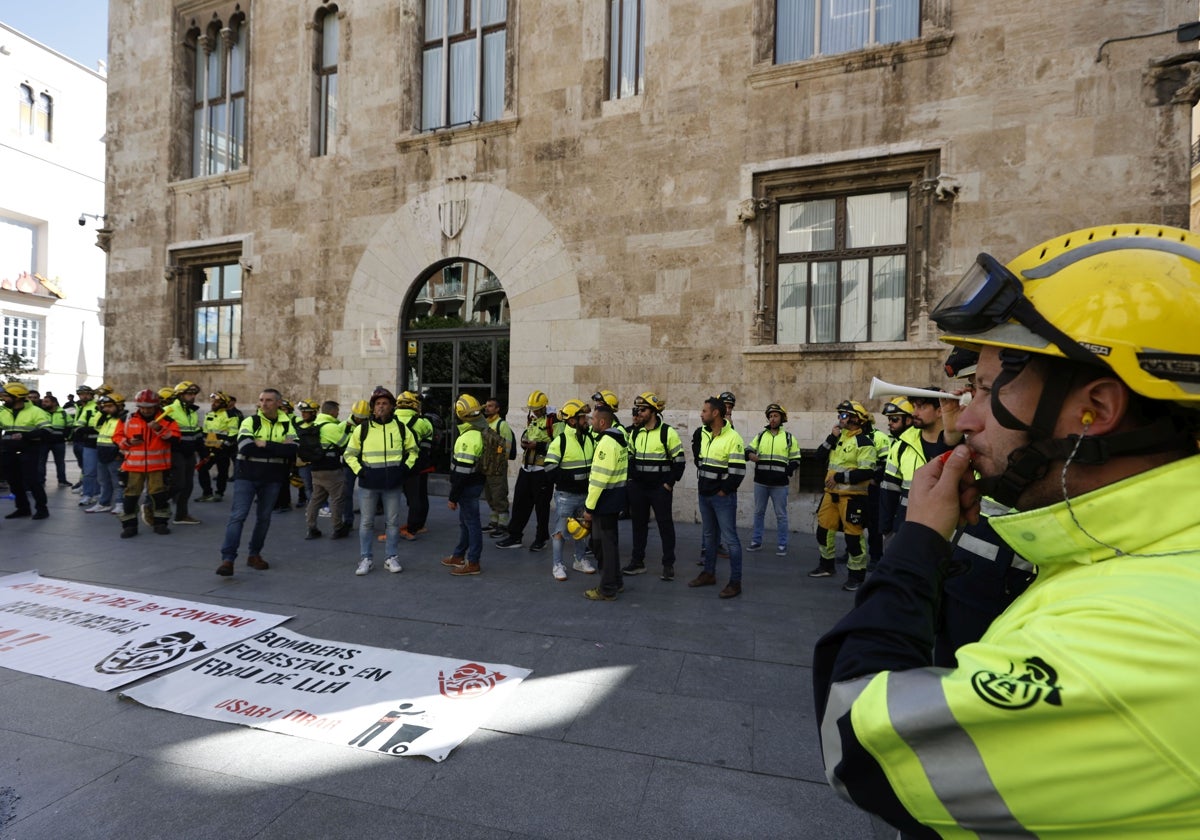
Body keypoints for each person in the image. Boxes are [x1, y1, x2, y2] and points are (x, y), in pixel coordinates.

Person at [814, 223, 1200, 837]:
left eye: (988, 390)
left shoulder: (1141, 638)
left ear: (1094, 409)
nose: (964, 418)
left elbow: (860, 740)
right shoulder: (1125, 558)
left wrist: (918, 545)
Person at [216, 389, 298, 576]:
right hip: (247, 475)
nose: (264, 404)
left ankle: (254, 555)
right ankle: (228, 559)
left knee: (264, 518)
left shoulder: (288, 424)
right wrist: (277, 447)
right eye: (261, 400)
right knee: (238, 516)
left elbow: (293, 450)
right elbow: (246, 446)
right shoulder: (250, 421)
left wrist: (264, 444)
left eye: (269, 400)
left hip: (273, 478)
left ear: (278, 403)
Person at [344, 388, 417, 576]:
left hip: (392, 484)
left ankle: (391, 557)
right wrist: (360, 471)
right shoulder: (363, 429)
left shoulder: (401, 428)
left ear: (392, 406)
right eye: (378, 404)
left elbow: (414, 450)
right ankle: (365, 558)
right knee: (366, 523)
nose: (381, 406)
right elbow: (349, 454)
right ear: (373, 408)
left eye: (385, 403)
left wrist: (405, 468)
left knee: (392, 523)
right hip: (368, 485)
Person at [807, 400, 876, 591]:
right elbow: (819, 457)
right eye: (840, 415)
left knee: (853, 539)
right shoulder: (839, 437)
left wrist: (839, 477)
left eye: (844, 415)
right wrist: (831, 437)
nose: (840, 419)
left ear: (856, 419)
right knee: (823, 532)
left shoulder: (864, 442)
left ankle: (857, 575)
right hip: (831, 495)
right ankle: (826, 565)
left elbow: (866, 472)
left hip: (853, 498)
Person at [689, 396, 746, 598]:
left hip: (722, 498)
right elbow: (700, 459)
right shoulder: (704, 434)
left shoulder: (733, 438)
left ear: (715, 413)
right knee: (709, 537)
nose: (701, 414)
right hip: (705, 495)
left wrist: (723, 490)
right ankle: (708, 573)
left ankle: (735, 582)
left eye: (704, 411)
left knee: (731, 540)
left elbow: (738, 471)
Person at [624, 391, 685, 580]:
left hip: (660, 489)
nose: (638, 413)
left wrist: (668, 484)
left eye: (642, 410)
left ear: (653, 411)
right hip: (639, 489)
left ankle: (668, 565)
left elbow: (679, 461)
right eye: (638, 409)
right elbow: (630, 458)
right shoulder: (635, 432)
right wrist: (633, 481)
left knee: (665, 526)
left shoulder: (668, 433)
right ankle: (637, 562)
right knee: (638, 525)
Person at [878, 389, 950, 544]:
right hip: (904, 531)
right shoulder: (900, 447)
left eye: (921, 407)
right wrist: (887, 531)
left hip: (943, 534)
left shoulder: (959, 447)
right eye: (914, 407)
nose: (915, 413)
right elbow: (888, 491)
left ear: (939, 411)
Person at [113, 389, 179, 537]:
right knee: (130, 497)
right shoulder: (127, 419)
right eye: (142, 407)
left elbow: (175, 439)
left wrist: (159, 429)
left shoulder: (167, 420)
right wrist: (129, 442)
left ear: (156, 406)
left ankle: (160, 523)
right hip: (133, 466)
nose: (146, 410)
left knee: (159, 496)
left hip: (158, 466)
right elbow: (117, 437)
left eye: (149, 407)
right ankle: (129, 526)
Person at [495, 390, 554, 551]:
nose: (534, 411)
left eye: (536, 409)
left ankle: (541, 539)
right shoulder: (532, 420)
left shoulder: (554, 422)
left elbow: (558, 446)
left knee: (542, 508)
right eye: (532, 409)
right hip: (526, 469)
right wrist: (524, 443)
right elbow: (526, 436)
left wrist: (539, 446)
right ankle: (515, 536)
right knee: (520, 504)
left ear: (543, 407)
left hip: (542, 471)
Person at [543, 398, 595, 581]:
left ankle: (579, 560)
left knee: (582, 529)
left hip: (585, 495)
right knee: (560, 532)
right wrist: (571, 479)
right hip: (566, 495)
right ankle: (557, 564)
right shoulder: (560, 441)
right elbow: (549, 469)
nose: (586, 421)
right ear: (572, 421)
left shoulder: (589, 438)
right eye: (583, 418)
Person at [582, 401, 628, 601]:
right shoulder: (619, 439)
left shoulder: (606, 444)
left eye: (592, 419)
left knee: (604, 546)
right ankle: (616, 582)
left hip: (604, 502)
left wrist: (589, 507)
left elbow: (599, 479)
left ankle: (607, 588)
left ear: (602, 422)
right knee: (610, 543)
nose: (590, 422)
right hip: (614, 499)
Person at [746, 403, 801, 556]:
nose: (772, 419)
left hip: (780, 485)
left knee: (781, 516)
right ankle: (756, 542)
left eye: (775, 416)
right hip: (761, 483)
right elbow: (748, 449)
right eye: (770, 416)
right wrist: (750, 455)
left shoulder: (789, 438)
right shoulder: (761, 435)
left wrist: (785, 472)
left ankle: (782, 544)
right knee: (758, 513)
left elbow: (796, 459)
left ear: (782, 418)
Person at [444, 393, 487, 576]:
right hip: (475, 483)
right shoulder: (480, 430)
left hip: (467, 487)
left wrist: (453, 497)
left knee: (471, 523)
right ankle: (459, 554)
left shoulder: (468, 438)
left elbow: (462, 472)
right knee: (466, 522)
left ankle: (473, 562)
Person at [0, 382, 51, 519]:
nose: (3, 399)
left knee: (32, 481)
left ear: (16, 397)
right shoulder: (3, 411)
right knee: (14, 482)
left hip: (29, 451)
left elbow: (47, 431)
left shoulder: (36, 412)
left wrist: (25, 436)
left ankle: (42, 509)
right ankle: (22, 508)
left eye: (6, 396)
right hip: (8, 451)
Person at [303, 400, 351, 541]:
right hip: (331, 469)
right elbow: (345, 443)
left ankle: (311, 527)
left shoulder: (315, 424)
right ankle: (338, 528)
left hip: (316, 468)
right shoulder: (330, 427)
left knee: (316, 499)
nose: (337, 413)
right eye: (337, 411)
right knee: (337, 499)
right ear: (331, 411)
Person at [163, 380, 203, 525]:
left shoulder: (192, 412)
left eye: (194, 394)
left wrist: (202, 450)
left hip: (189, 453)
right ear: (180, 395)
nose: (192, 397)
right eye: (189, 394)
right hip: (175, 452)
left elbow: (196, 433)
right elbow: (160, 431)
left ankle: (181, 515)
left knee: (188, 486)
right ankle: (154, 504)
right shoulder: (169, 410)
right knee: (178, 484)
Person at [395, 391, 434, 541]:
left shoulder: (390, 420)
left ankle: (402, 528)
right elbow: (428, 444)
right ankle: (416, 526)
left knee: (392, 496)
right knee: (418, 496)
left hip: (394, 464)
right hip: (416, 464)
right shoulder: (423, 422)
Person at [480, 396, 515, 535]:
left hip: (497, 467)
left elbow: (507, 446)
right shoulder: (485, 423)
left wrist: (500, 463)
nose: (487, 408)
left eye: (490, 406)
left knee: (499, 495)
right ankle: (493, 523)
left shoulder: (502, 425)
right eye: (487, 406)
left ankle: (503, 525)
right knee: (490, 496)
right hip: (487, 466)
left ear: (497, 409)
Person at [196, 391, 236, 502]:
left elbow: (233, 433)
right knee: (202, 469)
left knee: (222, 472)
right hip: (209, 449)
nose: (214, 403)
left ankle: (219, 493)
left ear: (223, 403)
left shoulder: (231, 415)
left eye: (217, 402)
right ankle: (207, 493)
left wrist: (225, 445)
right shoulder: (209, 414)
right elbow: (205, 431)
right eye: (213, 401)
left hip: (222, 450)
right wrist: (203, 446)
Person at [90, 392, 126, 514]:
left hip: (115, 455)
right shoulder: (107, 418)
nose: (106, 409)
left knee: (118, 482)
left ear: (119, 406)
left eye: (109, 406)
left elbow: (124, 438)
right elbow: (96, 426)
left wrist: (120, 454)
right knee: (103, 481)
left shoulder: (124, 419)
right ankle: (103, 503)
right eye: (104, 406)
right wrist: (101, 412)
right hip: (102, 454)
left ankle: (120, 504)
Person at [72, 383, 101, 505]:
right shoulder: (82, 407)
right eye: (80, 394)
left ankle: (97, 493)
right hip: (86, 441)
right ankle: (88, 493)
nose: (82, 396)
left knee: (98, 470)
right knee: (88, 470)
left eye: (85, 394)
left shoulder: (95, 407)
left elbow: (96, 425)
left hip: (97, 441)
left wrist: (83, 429)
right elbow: (80, 423)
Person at [39, 393, 71, 487]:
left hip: (59, 442)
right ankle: (40, 481)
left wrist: (66, 436)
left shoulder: (63, 413)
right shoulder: (40, 413)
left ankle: (62, 480)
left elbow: (69, 425)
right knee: (41, 462)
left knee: (60, 462)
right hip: (43, 442)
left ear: (54, 403)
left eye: (46, 402)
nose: (43, 403)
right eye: (43, 401)